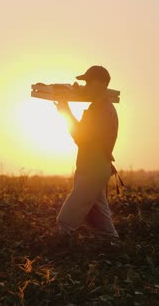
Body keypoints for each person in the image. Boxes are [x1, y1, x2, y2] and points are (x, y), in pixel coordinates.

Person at [55, 65, 119, 238]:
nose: (85, 87)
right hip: (93, 168)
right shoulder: (101, 107)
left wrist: (66, 113)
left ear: (100, 84)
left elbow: (81, 137)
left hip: (93, 170)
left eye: (88, 82)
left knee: (65, 220)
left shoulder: (100, 110)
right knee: (103, 224)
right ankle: (114, 247)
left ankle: (63, 256)